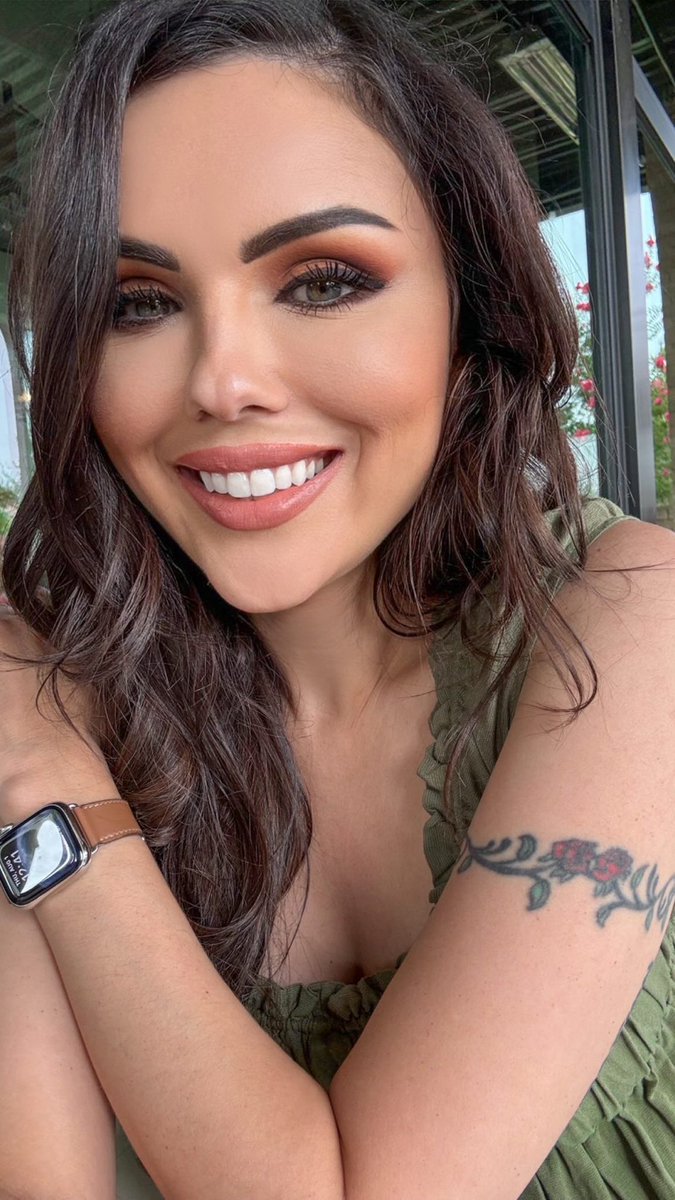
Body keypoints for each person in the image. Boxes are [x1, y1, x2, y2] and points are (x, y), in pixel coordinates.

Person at [0, 1, 673, 1197]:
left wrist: (48, 784)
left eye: (322, 282)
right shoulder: (60, 706)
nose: (222, 381)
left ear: (469, 306)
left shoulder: (627, 622)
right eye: (137, 302)